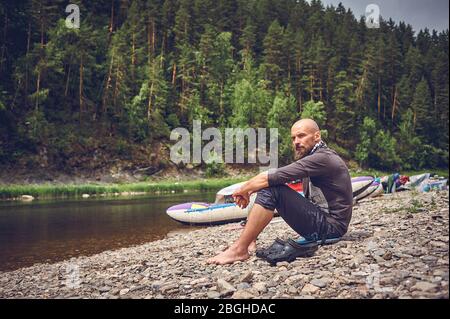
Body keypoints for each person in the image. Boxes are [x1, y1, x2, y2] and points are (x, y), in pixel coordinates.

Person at [207, 119, 353, 265]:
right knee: (268, 187)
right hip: (323, 222)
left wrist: (244, 190)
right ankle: (249, 241)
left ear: (317, 136)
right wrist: (252, 189)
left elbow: (273, 176)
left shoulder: (323, 158)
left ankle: (239, 249)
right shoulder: (315, 157)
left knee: (272, 189)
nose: (296, 141)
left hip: (331, 228)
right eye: (293, 138)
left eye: (301, 136)